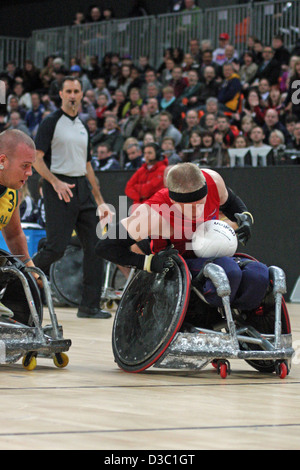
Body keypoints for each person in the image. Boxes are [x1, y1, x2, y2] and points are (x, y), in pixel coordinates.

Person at [96, 163, 269, 313]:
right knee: (229, 272)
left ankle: (244, 317)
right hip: (178, 265)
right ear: (173, 201)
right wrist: (149, 263)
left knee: (259, 275)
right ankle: (215, 312)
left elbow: (232, 202)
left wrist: (246, 218)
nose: (198, 212)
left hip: (215, 254)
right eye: (190, 208)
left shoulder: (214, 181)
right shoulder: (153, 212)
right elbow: (105, 247)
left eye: (201, 204)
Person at [32, 76, 112, 319]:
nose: (73, 95)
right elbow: (36, 158)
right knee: (55, 249)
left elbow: (87, 165)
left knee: (97, 247)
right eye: (68, 91)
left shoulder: (83, 126)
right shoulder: (50, 122)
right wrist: (54, 182)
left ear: (81, 94)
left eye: (76, 91)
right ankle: (18, 283)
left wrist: (99, 200)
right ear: (61, 94)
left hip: (83, 190)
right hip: (59, 187)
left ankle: (89, 306)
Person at [0, 129, 40, 316]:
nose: (30, 172)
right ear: (2, 161)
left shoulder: (12, 193)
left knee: (23, 277)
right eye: (25, 166)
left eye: (31, 166)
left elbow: (14, 235)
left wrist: (30, 268)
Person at [125, 143, 168, 207]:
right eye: (145, 153)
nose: (146, 155)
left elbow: (149, 190)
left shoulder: (163, 169)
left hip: (155, 208)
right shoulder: (141, 170)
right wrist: (140, 197)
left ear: (157, 154)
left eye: (150, 153)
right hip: (138, 209)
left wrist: (136, 187)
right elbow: (128, 188)